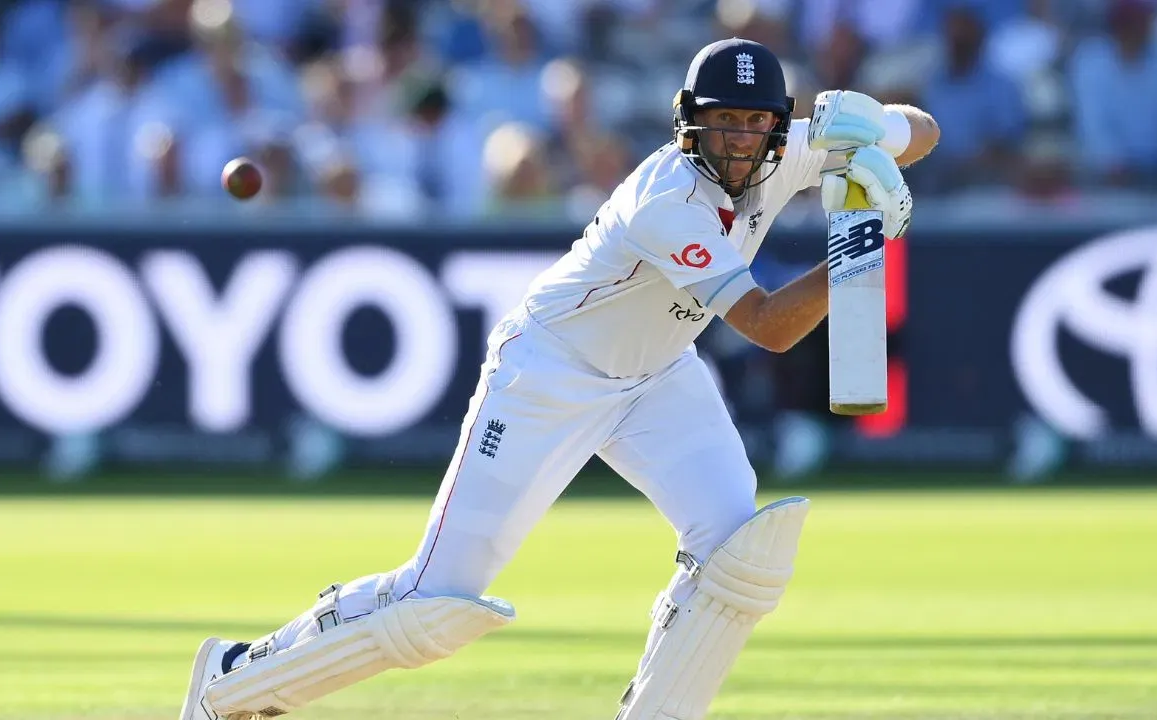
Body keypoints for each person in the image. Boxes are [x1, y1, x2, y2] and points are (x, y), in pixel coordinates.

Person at [179, 37, 940, 720]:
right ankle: (232, 684)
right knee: (433, 605)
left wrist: (870, 128)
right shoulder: (667, 199)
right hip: (550, 373)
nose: (741, 140)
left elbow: (924, 134)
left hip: (657, 374)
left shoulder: (788, 149)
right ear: (689, 123)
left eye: (755, 123)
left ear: (778, 126)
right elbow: (769, 326)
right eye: (723, 122)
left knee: (739, 549)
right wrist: (866, 241)